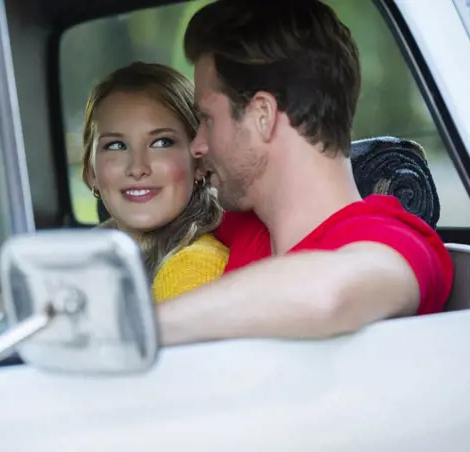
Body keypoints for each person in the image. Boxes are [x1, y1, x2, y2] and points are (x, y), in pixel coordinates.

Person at [156, 0, 454, 345]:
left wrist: (136, 329)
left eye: (207, 119)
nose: (197, 145)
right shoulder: (241, 226)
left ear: (261, 116)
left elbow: (329, 296)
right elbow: (151, 224)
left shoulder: (396, 241)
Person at [81, 62, 229, 302]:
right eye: (116, 146)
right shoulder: (90, 260)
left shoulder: (193, 268)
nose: (138, 168)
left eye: (161, 143)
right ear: (91, 172)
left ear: (199, 162)